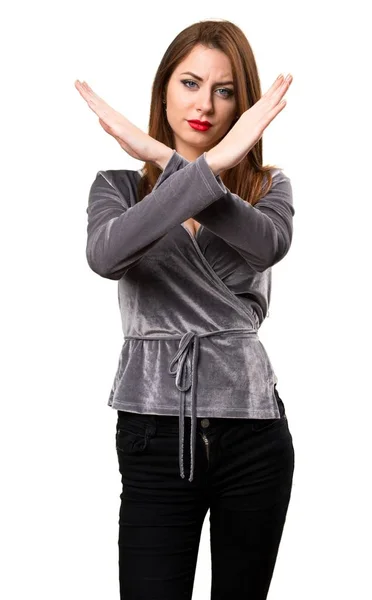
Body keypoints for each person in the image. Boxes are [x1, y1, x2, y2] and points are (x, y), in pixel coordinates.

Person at [76, 18, 295, 600]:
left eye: (224, 91)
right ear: (164, 89)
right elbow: (107, 256)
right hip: (152, 430)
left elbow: (268, 244)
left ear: (242, 103)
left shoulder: (268, 188)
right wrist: (191, 165)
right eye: (190, 83)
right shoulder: (118, 188)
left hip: (253, 433)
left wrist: (172, 158)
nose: (205, 105)